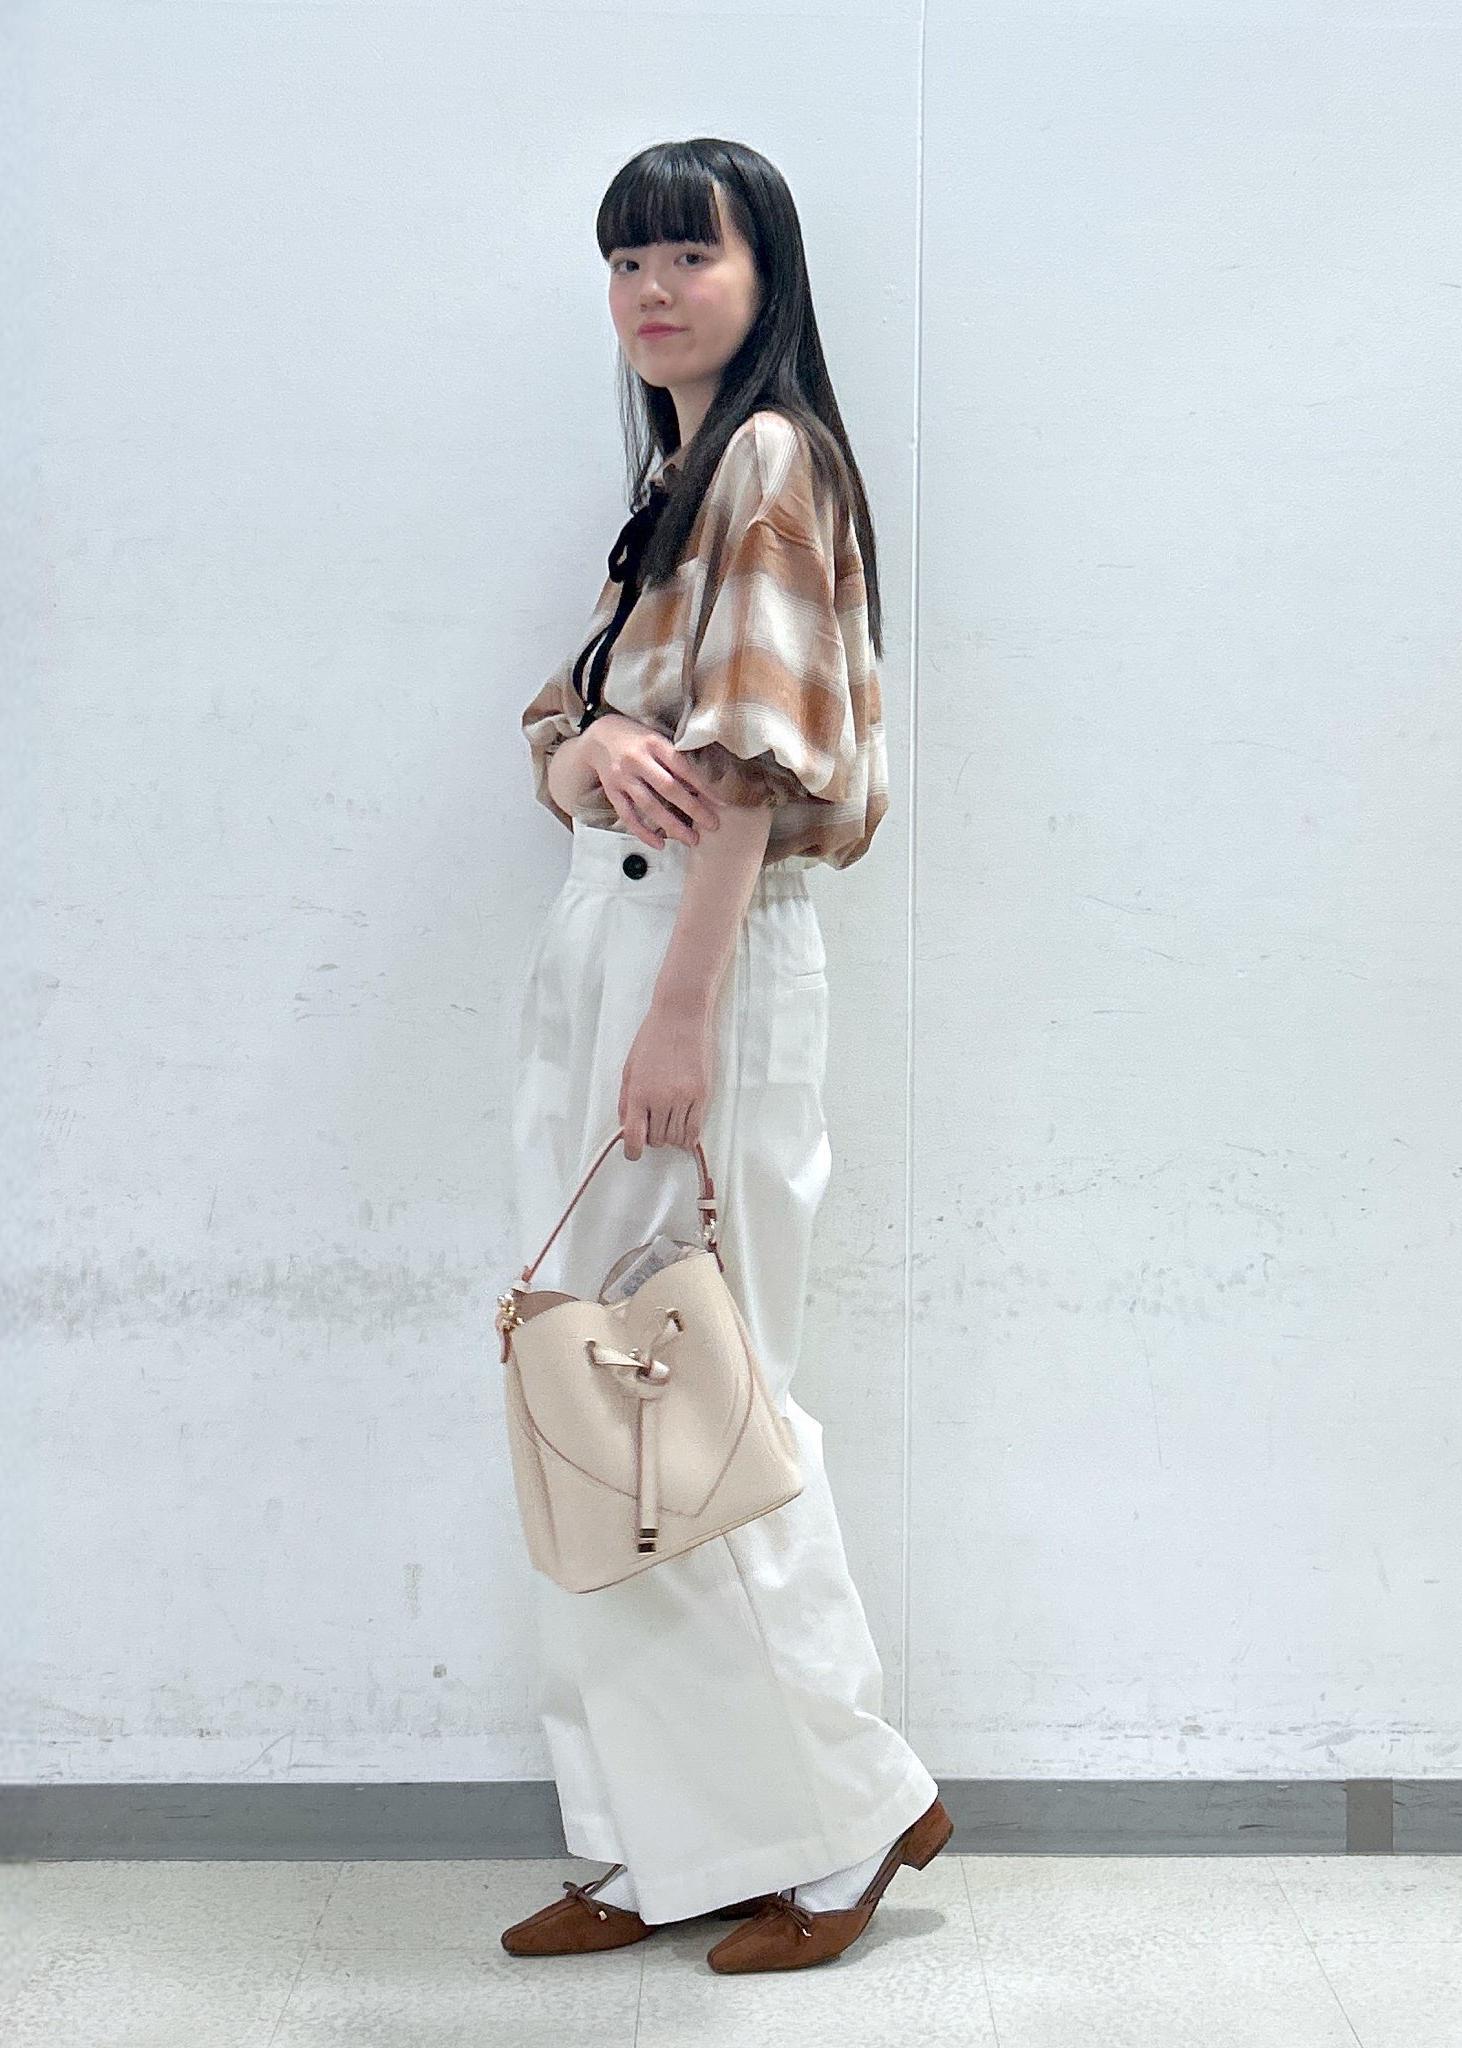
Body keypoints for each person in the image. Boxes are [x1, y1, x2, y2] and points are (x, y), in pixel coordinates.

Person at [500, 137, 951, 1975]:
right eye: (626, 261)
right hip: (610, 935)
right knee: (590, 1394)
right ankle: (645, 1835)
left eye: (689, 254)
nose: (652, 290)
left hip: (699, 951)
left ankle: (847, 1816)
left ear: (765, 275)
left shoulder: (769, 458)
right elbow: (565, 725)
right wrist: (585, 751)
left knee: (702, 1395)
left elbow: (755, 770)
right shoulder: (672, 482)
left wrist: (681, 1010)